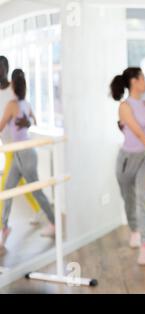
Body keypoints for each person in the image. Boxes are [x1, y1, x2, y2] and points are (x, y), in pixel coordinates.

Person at [110, 67, 145, 265]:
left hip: (143, 159)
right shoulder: (124, 106)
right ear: (133, 81)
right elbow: (139, 133)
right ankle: (134, 229)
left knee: (143, 200)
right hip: (126, 159)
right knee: (128, 198)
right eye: (142, 77)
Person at [0, 69, 55, 250]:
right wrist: (26, 123)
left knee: (35, 190)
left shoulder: (12, 105)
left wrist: (22, 124)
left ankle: (53, 223)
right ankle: (5, 227)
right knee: (7, 188)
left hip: (25, 154)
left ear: (14, 86)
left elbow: (0, 127)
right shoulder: (26, 104)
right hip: (20, 153)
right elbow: (34, 121)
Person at [0, 55, 41, 227]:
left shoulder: (14, 90)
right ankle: (39, 209)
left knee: (4, 189)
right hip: (7, 145)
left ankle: (2, 227)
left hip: (19, 146)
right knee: (24, 182)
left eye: (1, 68)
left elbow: (30, 116)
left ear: (7, 70)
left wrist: (28, 122)